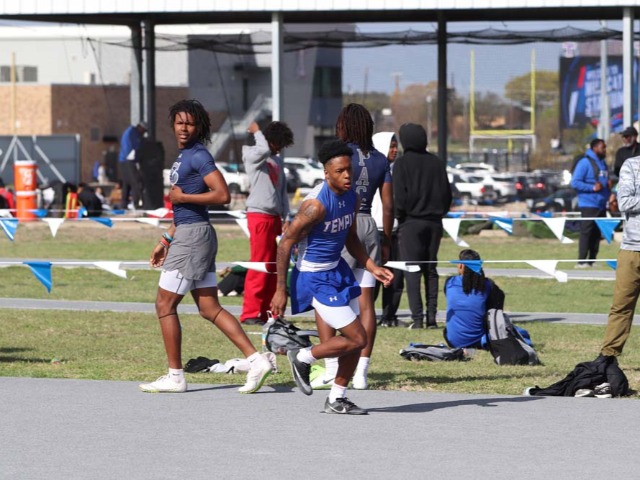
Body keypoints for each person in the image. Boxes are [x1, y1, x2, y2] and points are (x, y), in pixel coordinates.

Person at [139, 99, 273, 394]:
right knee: (209, 307)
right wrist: (165, 240)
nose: (184, 128)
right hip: (190, 232)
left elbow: (222, 194)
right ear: (173, 125)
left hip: (193, 238)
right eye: (179, 123)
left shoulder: (199, 156)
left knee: (164, 305)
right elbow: (185, 211)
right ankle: (256, 360)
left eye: (190, 123)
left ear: (199, 127)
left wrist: (183, 198)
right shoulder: (185, 156)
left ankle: (175, 376)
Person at [270, 139, 393, 415]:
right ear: (327, 173)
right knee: (358, 337)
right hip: (314, 278)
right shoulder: (315, 206)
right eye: (340, 171)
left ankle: (337, 398)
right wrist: (280, 289)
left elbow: (351, 238)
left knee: (356, 340)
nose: (347, 175)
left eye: (349, 169)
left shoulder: (352, 198)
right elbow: (285, 243)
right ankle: (302, 356)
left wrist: (372, 267)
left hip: (338, 271)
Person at [330, 103, 393, 391]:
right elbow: (388, 205)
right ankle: (362, 372)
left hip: (345, 222)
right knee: (366, 303)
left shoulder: (340, 154)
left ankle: (333, 367)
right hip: (370, 224)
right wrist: (387, 239)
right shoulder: (380, 158)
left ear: (344, 125)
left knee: (334, 297)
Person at [393, 123, 452, 329]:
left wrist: (400, 216)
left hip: (411, 223)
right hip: (434, 223)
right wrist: (439, 213)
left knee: (412, 270)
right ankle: (432, 317)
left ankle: (417, 319)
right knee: (431, 269)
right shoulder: (437, 163)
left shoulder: (402, 164)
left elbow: (399, 197)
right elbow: (447, 194)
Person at [240, 121, 294, 325]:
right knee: (259, 264)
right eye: (278, 143)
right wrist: (257, 132)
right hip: (259, 216)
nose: (279, 149)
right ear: (270, 140)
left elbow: (283, 193)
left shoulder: (277, 161)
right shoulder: (252, 154)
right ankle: (251, 313)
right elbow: (262, 148)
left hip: (275, 218)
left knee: (274, 267)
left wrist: (287, 217)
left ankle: (271, 313)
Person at [600, 151, 640, 358]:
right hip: (632, 250)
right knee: (621, 306)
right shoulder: (632, 165)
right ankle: (608, 357)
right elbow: (624, 202)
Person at [370, 132, 404, 327]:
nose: (395, 150)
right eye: (391, 146)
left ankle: (389, 316)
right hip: (375, 230)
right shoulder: (371, 171)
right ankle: (367, 314)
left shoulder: (396, 171)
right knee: (373, 277)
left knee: (395, 277)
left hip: (393, 230)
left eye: (396, 146)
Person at [570, 138, 611, 268]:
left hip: (601, 204)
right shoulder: (584, 163)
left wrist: (608, 187)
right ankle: (581, 261)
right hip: (588, 204)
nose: (605, 150)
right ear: (595, 148)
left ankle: (592, 260)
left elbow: (602, 181)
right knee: (586, 233)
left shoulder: (603, 163)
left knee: (597, 233)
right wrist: (592, 188)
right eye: (602, 147)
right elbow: (575, 182)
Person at [118, 121, 147, 210]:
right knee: (135, 181)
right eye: (144, 130)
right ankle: (136, 204)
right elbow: (130, 147)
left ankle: (124, 204)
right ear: (140, 127)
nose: (144, 133)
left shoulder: (134, 133)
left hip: (124, 160)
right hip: (128, 159)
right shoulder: (132, 132)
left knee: (127, 183)